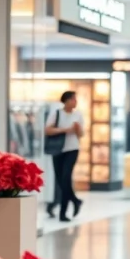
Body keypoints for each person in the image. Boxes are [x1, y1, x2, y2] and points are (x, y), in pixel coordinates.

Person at [45, 91, 84, 222]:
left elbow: (81, 134)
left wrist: (77, 129)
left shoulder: (78, 115)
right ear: (67, 100)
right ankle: (75, 200)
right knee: (61, 181)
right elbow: (48, 130)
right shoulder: (56, 113)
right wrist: (64, 130)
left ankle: (63, 212)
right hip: (57, 149)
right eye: (73, 99)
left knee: (66, 178)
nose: (75, 102)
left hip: (72, 149)